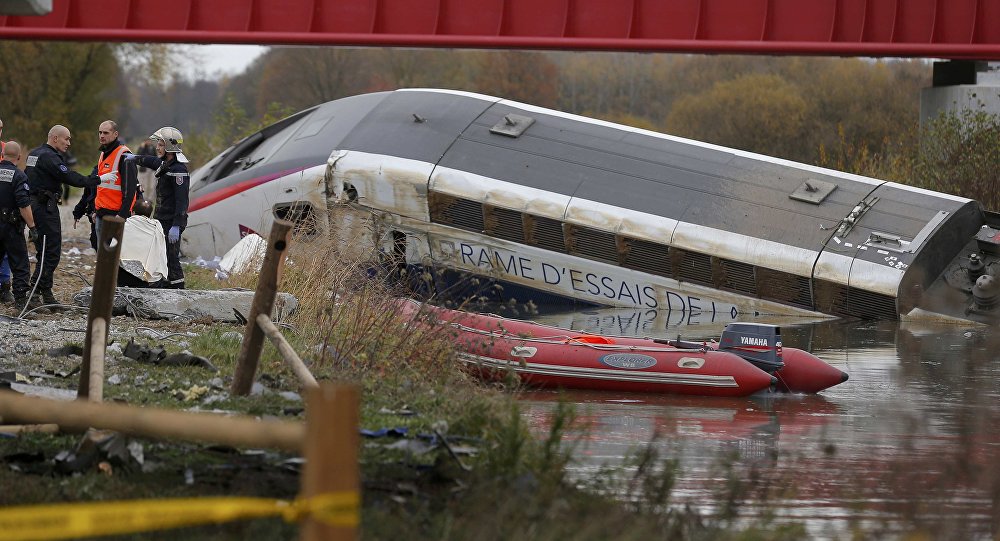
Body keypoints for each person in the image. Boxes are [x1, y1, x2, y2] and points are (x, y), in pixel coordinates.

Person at [25, 125, 102, 307]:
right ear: (54, 138)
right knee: (50, 252)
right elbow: (70, 178)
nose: (68, 143)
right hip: (44, 207)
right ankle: (34, 293)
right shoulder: (49, 156)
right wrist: (98, 180)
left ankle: (46, 292)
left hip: (36, 205)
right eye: (66, 139)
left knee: (45, 250)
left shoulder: (34, 153)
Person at [130, 127, 189, 289]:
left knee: (171, 256)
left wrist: (177, 224)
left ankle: (178, 288)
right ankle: (167, 285)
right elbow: (152, 161)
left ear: (170, 147)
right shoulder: (166, 164)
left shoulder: (179, 171)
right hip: (162, 219)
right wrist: (134, 158)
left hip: (172, 221)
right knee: (161, 254)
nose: (157, 147)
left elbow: (182, 201)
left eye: (161, 145)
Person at [0, 141, 39, 312]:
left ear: (2, 155)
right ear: (19, 157)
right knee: (20, 264)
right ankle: (21, 301)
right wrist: (32, 226)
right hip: (11, 227)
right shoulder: (19, 176)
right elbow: (24, 205)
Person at [89, 120, 138, 241]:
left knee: (114, 256)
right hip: (101, 213)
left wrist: (122, 215)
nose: (101, 135)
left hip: (116, 215)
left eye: (105, 132)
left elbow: (131, 190)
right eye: (100, 132)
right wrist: (96, 210)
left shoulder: (124, 155)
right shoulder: (103, 153)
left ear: (115, 134)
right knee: (103, 255)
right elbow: (101, 186)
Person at [117, 199, 167, 288]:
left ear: (132, 212)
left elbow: (112, 250)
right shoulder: (157, 228)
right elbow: (161, 254)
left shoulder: (123, 226)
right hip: (149, 278)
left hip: (125, 275)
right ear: (150, 215)